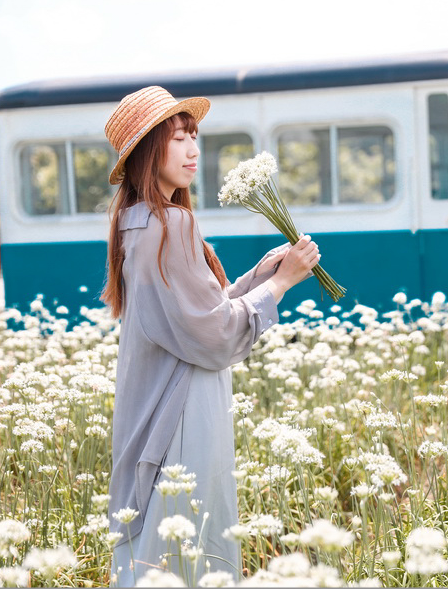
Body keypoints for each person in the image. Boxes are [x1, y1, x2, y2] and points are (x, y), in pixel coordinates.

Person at [99, 86, 319, 586]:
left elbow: (197, 313)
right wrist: (283, 284)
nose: (193, 150)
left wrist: (265, 274)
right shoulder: (171, 224)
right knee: (194, 547)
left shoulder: (135, 223)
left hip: (157, 404)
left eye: (193, 137)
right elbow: (214, 333)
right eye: (178, 139)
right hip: (183, 409)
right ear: (147, 152)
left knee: (158, 547)